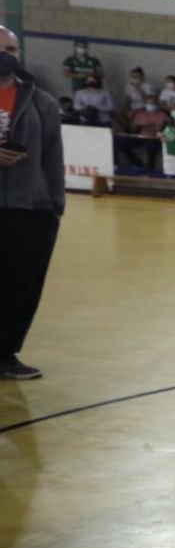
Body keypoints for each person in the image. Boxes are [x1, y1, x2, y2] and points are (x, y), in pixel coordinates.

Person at [0, 25, 64, 380]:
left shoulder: (42, 101)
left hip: (30, 209)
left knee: (20, 287)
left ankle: (5, 352)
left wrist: (54, 206)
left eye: (13, 49)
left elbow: (53, 157)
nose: (8, 55)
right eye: (2, 49)